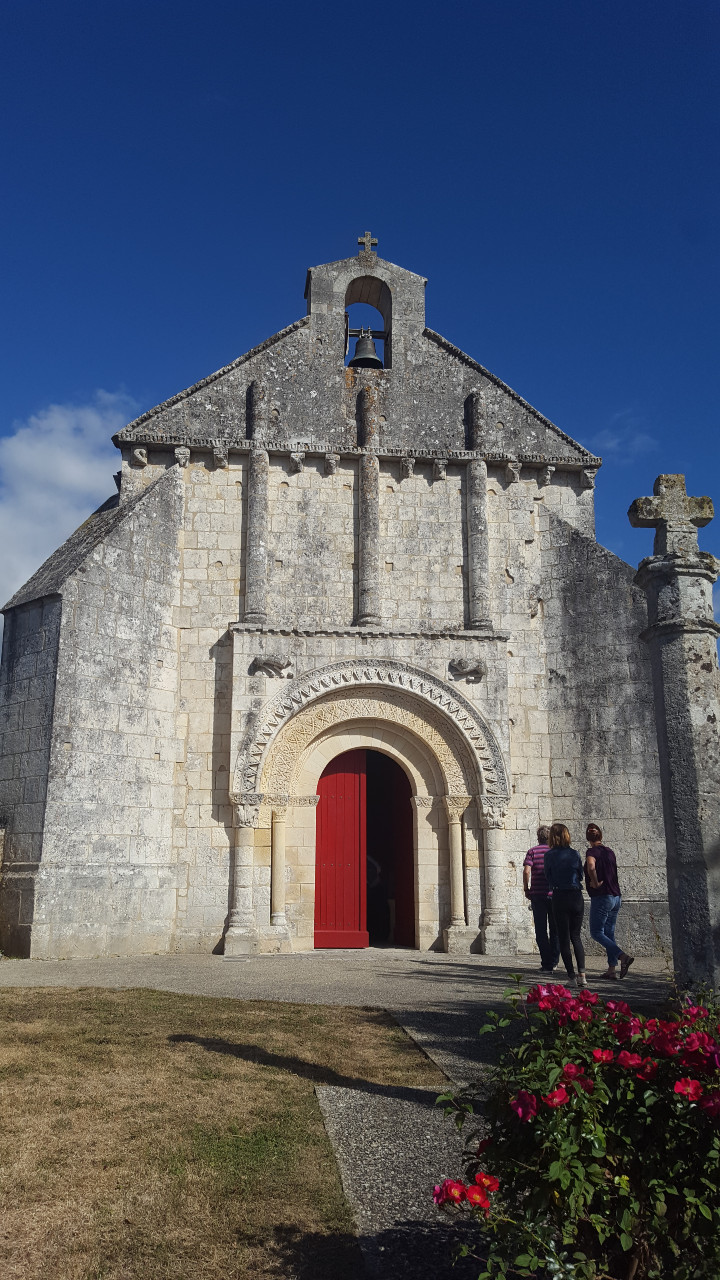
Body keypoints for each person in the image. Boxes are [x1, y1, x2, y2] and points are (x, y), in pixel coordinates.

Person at [584, 823, 634, 980]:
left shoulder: (591, 852)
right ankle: (611, 969)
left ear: (588, 838)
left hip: (602, 896)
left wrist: (595, 882)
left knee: (596, 932)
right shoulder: (610, 852)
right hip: (616, 897)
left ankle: (622, 956)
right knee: (609, 932)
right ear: (601, 836)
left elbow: (591, 866)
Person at [544, 823, 587, 989]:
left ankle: (571, 976)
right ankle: (582, 974)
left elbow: (548, 876)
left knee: (564, 938)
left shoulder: (549, 855)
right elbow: (580, 875)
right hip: (576, 895)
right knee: (576, 936)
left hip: (560, 895)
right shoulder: (574, 853)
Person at [523, 825, 560, 974]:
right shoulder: (555, 852)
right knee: (555, 930)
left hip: (538, 895)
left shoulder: (532, 851)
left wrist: (526, 888)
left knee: (541, 930)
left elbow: (527, 871)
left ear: (538, 837)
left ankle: (546, 964)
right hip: (554, 895)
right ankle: (555, 961)